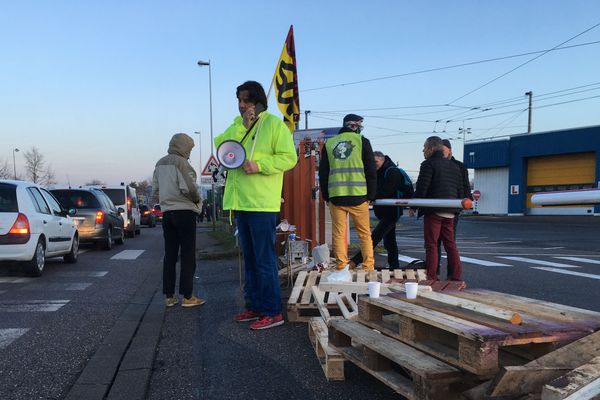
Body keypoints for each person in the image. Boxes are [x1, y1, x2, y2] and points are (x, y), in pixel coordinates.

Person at [214, 80, 297, 330]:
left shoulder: (274, 125)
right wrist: (243, 125)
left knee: (264, 259)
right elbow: (222, 147)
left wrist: (259, 165)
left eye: (247, 100)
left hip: (261, 204)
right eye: (239, 100)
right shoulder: (237, 124)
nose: (242, 105)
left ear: (259, 101)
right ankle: (254, 306)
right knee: (249, 258)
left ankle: (272, 311)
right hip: (241, 202)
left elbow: (289, 158)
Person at [319, 113, 377, 281]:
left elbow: (323, 173)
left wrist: (326, 195)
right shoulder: (362, 142)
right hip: (359, 196)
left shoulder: (329, 144)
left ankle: (341, 266)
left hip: (337, 197)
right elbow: (370, 170)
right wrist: (371, 194)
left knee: (338, 233)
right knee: (364, 234)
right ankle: (368, 267)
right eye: (359, 126)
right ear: (354, 126)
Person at [152, 133, 204, 308]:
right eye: (189, 148)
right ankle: (188, 296)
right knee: (188, 255)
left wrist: (163, 201)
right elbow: (188, 188)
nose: (190, 151)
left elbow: (155, 191)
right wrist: (197, 199)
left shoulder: (160, 163)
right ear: (184, 147)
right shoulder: (182, 163)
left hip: (168, 214)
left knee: (170, 255)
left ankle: (169, 296)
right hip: (185, 212)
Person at [409, 136, 464, 281]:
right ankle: (456, 275)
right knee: (450, 244)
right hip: (451, 209)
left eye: (424, 147)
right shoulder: (454, 166)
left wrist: (413, 206)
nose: (423, 151)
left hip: (434, 209)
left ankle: (432, 276)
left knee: (432, 244)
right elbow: (459, 190)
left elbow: (422, 188)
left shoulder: (428, 164)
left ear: (431, 149)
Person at [350, 151, 414, 270]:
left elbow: (386, 191)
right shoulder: (378, 172)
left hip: (392, 211)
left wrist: (369, 196)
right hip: (384, 211)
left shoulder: (392, 171)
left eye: (376, 162)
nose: (374, 165)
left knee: (375, 237)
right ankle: (394, 267)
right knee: (390, 241)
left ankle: (355, 261)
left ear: (383, 159)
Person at [436, 139, 472, 278]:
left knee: (449, 241)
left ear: (450, 150)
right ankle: (435, 271)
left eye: (444, 151)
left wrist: (464, 202)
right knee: (435, 241)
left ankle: (452, 274)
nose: (442, 154)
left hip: (453, 208)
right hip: (437, 207)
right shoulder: (437, 163)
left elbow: (464, 186)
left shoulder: (459, 166)